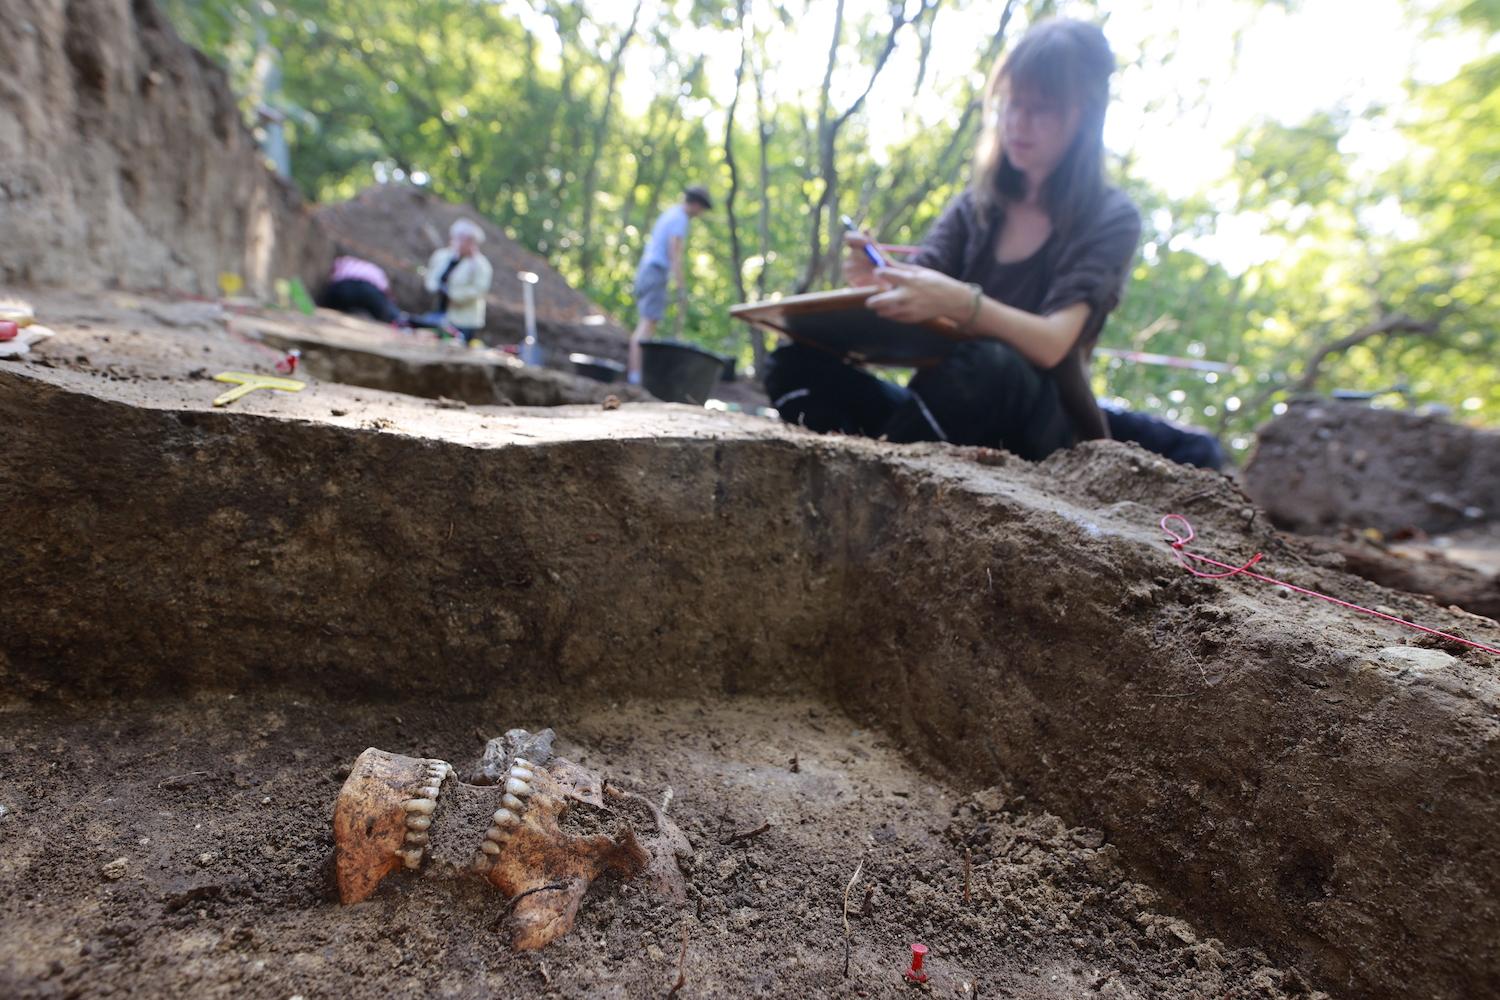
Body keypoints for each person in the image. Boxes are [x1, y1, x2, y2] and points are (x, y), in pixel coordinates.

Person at [764, 19, 1141, 461]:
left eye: (1041, 109)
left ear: (1084, 115)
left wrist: (962, 302)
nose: (1019, 124)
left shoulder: (1110, 216)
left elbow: (1053, 342)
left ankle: (882, 466)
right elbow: (923, 293)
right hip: (936, 411)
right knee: (794, 363)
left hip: (1031, 422)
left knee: (990, 366)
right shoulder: (977, 205)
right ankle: (875, 463)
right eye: (1012, 105)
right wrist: (882, 282)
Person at [629, 185, 713, 384]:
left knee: (647, 322)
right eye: (702, 208)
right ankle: (636, 376)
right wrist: (681, 285)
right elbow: (675, 252)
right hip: (656, 271)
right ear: (695, 204)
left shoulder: (670, 213)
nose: (700, 214)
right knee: (648, 323)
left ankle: (636, 375)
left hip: (647, 270)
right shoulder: (680, 219)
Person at [424, 219, 494, 343]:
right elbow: (431, 277)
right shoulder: (442, 256)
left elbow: (478, 290)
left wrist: (453, 295)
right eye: (458, 238)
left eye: (465, 239)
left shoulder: (481, 265)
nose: (460, 242)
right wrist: (437, 288)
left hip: (464, 321)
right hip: (439, 314)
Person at [320, 255, 404, 325]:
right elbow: (386, 293)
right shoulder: (376, 269)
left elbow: (332, 274)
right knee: (389, 314)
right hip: (369, 290)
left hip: (343, 286)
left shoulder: (346, 260)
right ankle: (403, 320)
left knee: (328, 305)